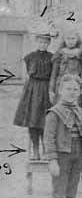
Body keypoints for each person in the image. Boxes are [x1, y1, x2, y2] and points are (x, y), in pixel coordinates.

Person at [13, 29, 54, 158]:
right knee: (33, 119)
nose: (43, 44)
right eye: (40, 41)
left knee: (45, 120)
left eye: (45, 42)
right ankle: (35, 150)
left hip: (46, 88)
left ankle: (45, 149)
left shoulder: (52, 57)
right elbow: (27, 74)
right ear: (37, 42)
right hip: (33, 89)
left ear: (49, 43)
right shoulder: (30, 56)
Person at [50, 29, 82, 105]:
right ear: (64, 40)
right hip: (61, 83)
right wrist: (51, 90)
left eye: (73, 39)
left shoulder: (81, 53)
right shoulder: (60, 53)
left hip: (76, 83)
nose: (70, 41)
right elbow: (53, 74)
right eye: (68, 39)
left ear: (77, 40)